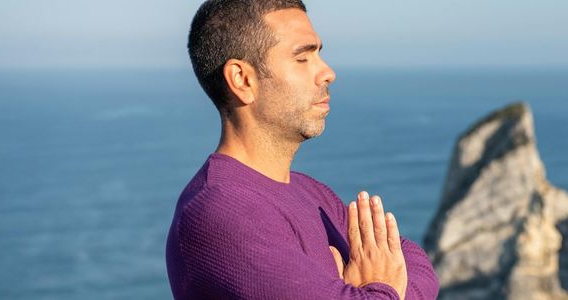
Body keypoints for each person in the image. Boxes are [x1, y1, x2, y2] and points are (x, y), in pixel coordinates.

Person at [165, 1, 440, 299]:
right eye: (302, 58)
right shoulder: (221, 212)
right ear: (243, 80)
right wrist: (381, 289)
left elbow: (418, 265)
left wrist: (370, 292)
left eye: (318, 54)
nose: (327, 73)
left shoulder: (312, 193)